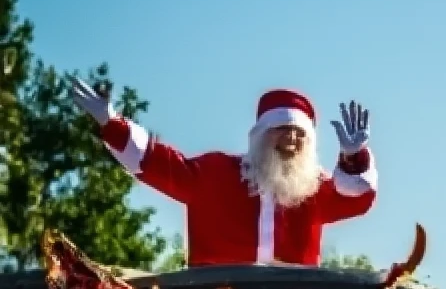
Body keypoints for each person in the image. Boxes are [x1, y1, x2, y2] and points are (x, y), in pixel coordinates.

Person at [70, 79, 377, 267]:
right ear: (261, 135)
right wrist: (112, 123)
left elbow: (356, 198)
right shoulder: (216, 174)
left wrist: (353, 157)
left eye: (300, 134)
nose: (292, 140)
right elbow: (156, 163)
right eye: (282, 130)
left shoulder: (313, 188)